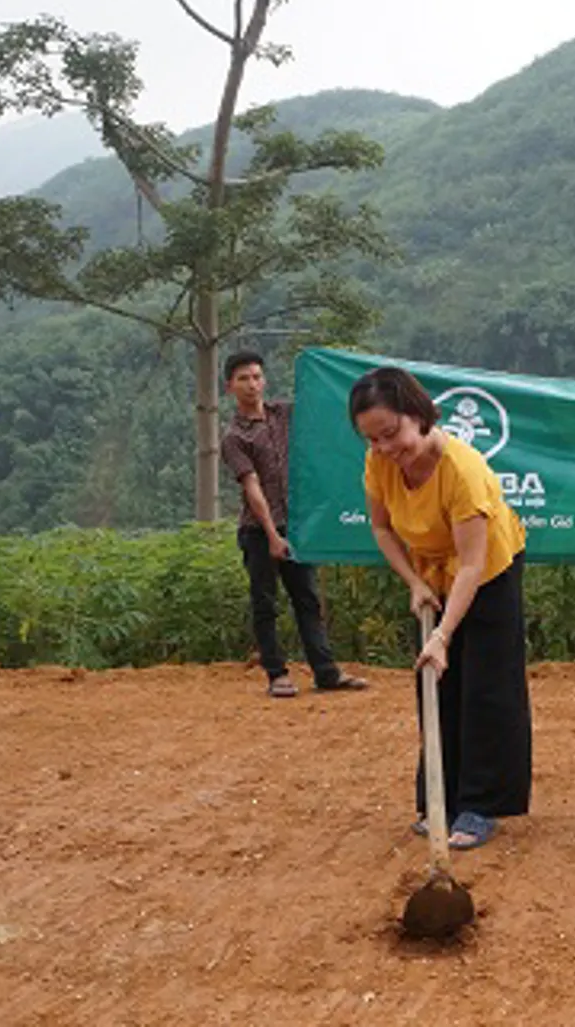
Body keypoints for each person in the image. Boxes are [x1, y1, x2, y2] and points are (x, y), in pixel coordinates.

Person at [350, 366, 530, 851]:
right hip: (430, 571)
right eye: (373, 440)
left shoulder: (463, 472)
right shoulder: (380, 464)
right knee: (437, 684)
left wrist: (443, 635)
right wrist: (413, 583)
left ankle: (479, 804)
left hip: (487, 572)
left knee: (485, 688)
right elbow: (383, 529)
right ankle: (439, 798)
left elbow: (471, 565)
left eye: (392, 434)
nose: (386, 448)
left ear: (419, 415)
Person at [219, 352, 367, 699]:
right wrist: (272, 535)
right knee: (266, 603)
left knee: (308, 600)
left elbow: (322, 414)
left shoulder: (284, 414)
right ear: (230, 387)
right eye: (243, 379)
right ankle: (277, 675)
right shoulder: (234, 437)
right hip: (259, 531)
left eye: (257, 376)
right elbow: (252, 489)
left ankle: (326, 672)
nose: (252, 384)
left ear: (265, 380)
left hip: (298, 525)